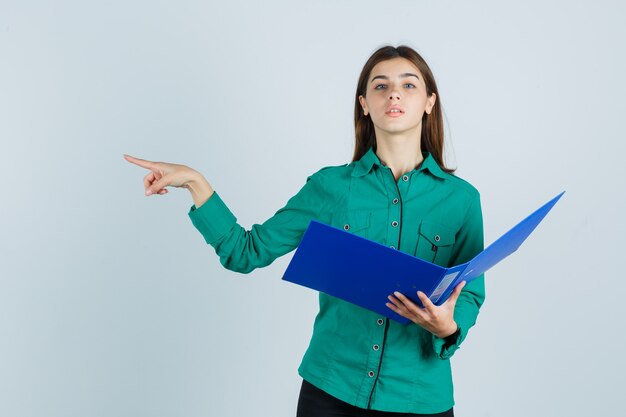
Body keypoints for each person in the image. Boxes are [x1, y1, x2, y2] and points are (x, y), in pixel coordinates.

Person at [124, 44, 485, 417]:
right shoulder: (329, 187)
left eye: (409, 85)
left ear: (429, 102)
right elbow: (245, 252)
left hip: (419, 397)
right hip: (331, 391)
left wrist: (447, 327)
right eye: (380, 86)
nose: (394, 93)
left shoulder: (462, 200)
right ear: (364, 103)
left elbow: (470, 294)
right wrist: (195, 183)